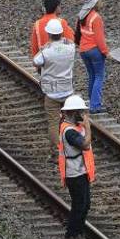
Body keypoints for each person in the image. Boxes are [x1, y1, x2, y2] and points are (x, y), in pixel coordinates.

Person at [34, 19, 77, 161]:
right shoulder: (70, 48)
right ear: (61, 33)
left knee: (53, 123)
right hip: (68, 90)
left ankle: (56, 152)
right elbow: (70, 43)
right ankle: (72, 146)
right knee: (69, 121)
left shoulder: (46, 52)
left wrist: (45, 47)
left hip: (52, 92)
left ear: (49, 34)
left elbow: (36, 61)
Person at [57, 95, 97, 239]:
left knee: (85, 204)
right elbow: (85, 145)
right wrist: (88, 127)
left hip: (80, 171)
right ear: (73, 112)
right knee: (79, 206)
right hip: (74, 174)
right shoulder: (69, 131)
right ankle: (70, 237)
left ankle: (78, 233)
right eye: (80, 111)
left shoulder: (73, 127)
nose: (83, 114)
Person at [75, 0, 109, 113]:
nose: (101, 2)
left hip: (83, 50)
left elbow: (78, 34)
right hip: (94, 51)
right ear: (94, 3)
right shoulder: (96, 17)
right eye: (99, 0)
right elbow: (99, 39)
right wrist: (105, 52)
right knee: (99, 76)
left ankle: (92, 102)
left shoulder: (82, 16)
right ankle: (95, 106)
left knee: (92, 76)